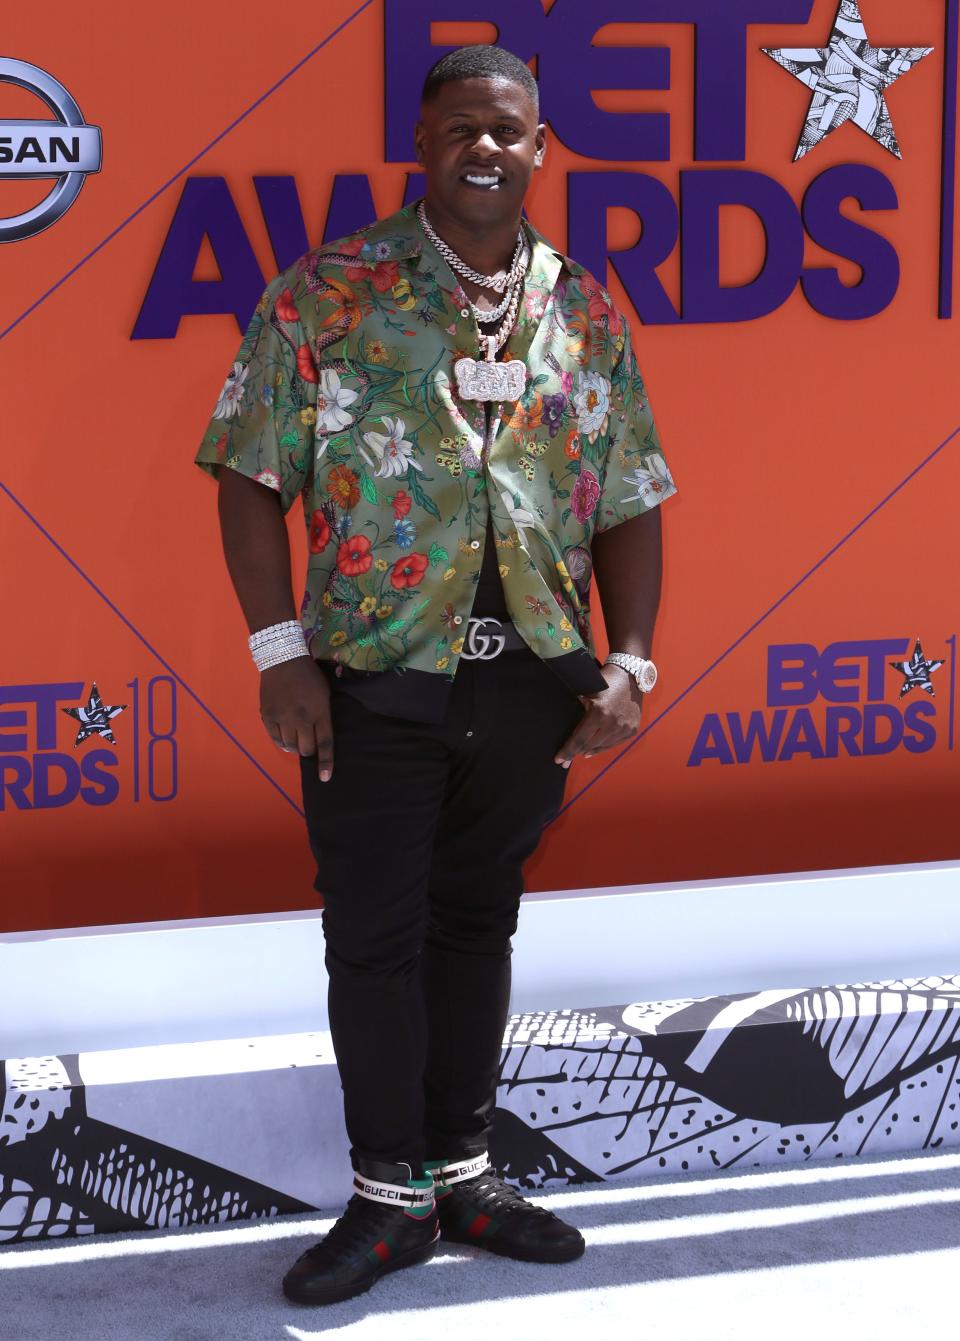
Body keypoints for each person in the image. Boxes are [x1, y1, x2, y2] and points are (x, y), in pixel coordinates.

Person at [195, 43, 677, 1307]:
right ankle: (385, 1199)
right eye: (461, 127)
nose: (485, 149)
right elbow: (250, 480)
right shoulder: (326, 295)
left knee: (479, 924)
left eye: (507, 131)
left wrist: (628, 658)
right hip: (370, 680)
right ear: (422, 145)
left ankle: (461, 1173)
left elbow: (630, 496)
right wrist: (277, 654)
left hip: (530, 680)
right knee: (374, 940)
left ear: (538, 148)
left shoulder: (586, 309)